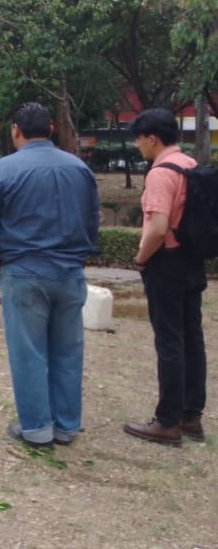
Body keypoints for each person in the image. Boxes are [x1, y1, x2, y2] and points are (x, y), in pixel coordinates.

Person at [0, 102, 99, 449]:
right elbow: (92, 221)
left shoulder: (4, 170)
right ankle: (67, 426)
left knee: (29, 353)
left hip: (24, 272)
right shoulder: (79, 169)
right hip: (70, 272)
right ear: (52, 128)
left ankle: (38, 428)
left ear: (15, 130)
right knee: (69, 352)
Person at [123, 108, 207, 447]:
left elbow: (157, 228)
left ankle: (167, 420)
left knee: (169, 340)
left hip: (166, 263)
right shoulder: (192, 166)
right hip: (191, 260)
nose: (138, 146)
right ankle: (191, 415)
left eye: (139, 140)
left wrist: (141, 259)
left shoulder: (160, 173)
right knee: (192, 337)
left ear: (152, 138)